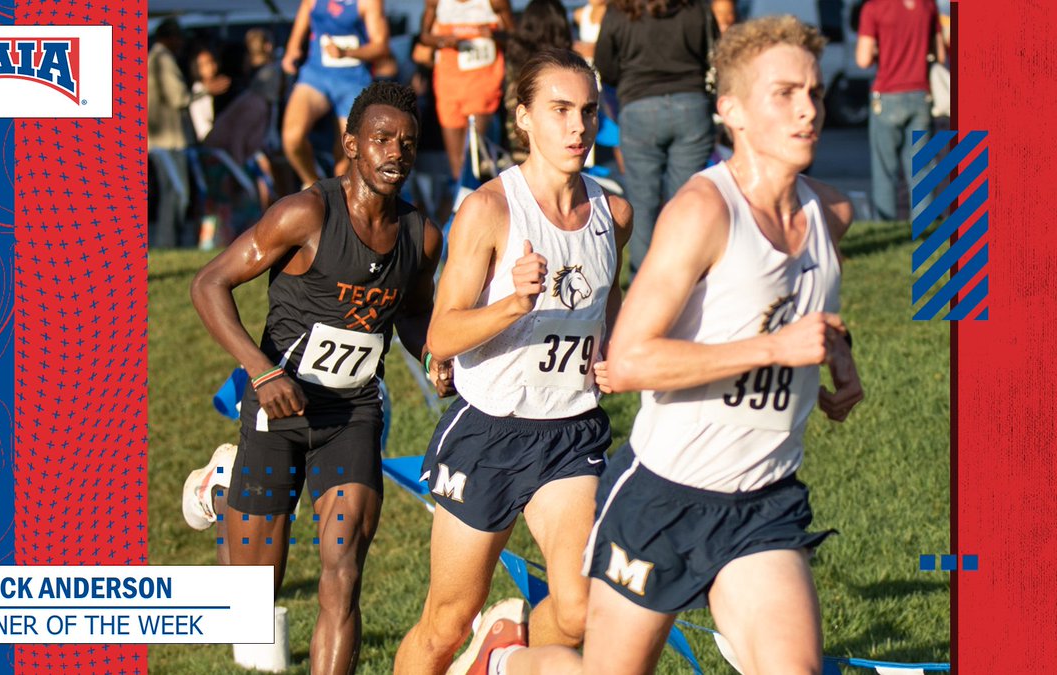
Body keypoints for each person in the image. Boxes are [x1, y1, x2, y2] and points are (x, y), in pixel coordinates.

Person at [462, 17, 865, 675]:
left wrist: (838, 354)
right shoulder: (704, 212)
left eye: (814, 93)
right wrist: (774, 350)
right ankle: (509, 659)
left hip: (763, 501)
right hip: (664, 497)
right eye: (785, 93)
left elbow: (795, 313)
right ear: (730, 110)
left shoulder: (831, 214)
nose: (808, 110)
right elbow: (627, 359)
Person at [190, 81, 450, 675]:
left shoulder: (420, 235)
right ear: (351, 144)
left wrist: (436, 356)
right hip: (277, 409)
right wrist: (260, 372)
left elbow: (410, 313)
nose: (395, 153)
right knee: (257, 597)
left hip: (352, 414)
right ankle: (224, 487)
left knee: (344, 569)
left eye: (407, 144)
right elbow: (208, 283)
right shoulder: (307, 213)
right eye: (381, 139)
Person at [394, 48, 632, 675]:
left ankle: (508, 654)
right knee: (445, 625)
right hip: (490, 432)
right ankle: (484, 646)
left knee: (580, 609)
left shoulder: (615, 214)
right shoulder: (490, 210)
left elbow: (607, 298)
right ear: (523, 117)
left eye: (586, 111)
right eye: (559, 111)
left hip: (571, 431)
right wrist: (514, 304)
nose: (578, 127)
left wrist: (609, 345)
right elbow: (439, 336)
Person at [596, 0, 717, 283]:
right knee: (686, 202)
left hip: (639, 105)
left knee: (642, 202)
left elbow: (605, 65)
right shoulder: (696, 7)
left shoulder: (620, 9)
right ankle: (687, 283)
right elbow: (714, 54)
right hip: (691, 104)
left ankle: (643, 285)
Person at [281, 0, 391, 189]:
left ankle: (339, 201)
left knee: (348, 157)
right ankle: (314, 187)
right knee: (292, 138)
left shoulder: (368, 3)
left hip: (353, 81)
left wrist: (347, 52)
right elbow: (303, 17)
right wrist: (292, 50)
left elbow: (381, 47)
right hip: (316, 75)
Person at [856, 0, 945, 221]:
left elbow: (863, 59)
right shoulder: (928, 5)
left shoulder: (874, 8)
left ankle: (886, 227)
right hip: (920, 94)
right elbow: (940, 55)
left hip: (886, 96)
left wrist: (881, 49)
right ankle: (925, 227)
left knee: (886, 171)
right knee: (921, 169)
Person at [419, 0, 515, 180]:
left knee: (475, 157)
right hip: (448, 86)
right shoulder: (437, 2)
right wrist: (442, 40)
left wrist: (494, 34)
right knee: (456, 163)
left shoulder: (494, 2)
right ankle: (463, 201)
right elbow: (424, 36)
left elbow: (515, 35)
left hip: (483, 86)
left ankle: (480, 196)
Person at [504, 0, 574, 164]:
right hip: (559, 143)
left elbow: (509, 101)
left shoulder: (514, 60)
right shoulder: (566, 63)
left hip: (519, 141)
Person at [148, 18, 192, 248]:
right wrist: (202, 90)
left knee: (171, 193)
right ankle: (167, 244)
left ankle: (168, 243)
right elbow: (178, 97)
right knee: (175, 194)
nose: (181, 42)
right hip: (166, 140)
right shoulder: (163, 58)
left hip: (159, 140)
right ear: (169, 37)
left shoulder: (154, 57)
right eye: (178, 37)